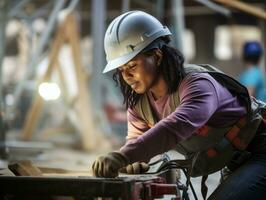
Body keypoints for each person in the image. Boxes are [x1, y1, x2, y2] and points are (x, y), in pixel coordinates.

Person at [92, 11, 266, 199]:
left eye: (132, 66)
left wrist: (124, 156)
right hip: (235, 159)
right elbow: (136, 140)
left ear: (157, 57)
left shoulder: (197, 85)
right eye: (121, 69)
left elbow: (176, 126)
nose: (126, 76)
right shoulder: (139, 104)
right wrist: (134, 160)